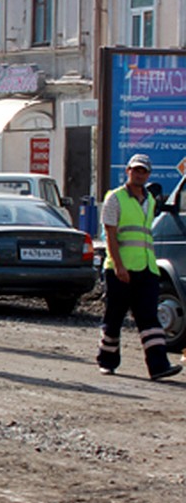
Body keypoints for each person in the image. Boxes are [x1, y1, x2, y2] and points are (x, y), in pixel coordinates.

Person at [96, 154, 182, 380]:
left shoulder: (150, 200)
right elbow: (111, 235)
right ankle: (107, 361)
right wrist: (119, 266)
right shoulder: (115, 198)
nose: (139, 174)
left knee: (149, 318)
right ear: (128, 171)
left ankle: (158, 366)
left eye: (143, 171)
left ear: (148, 174)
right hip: (120, 269)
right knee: (114, 317)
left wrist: (150, 267)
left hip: (146, 268)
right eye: (136, 170)